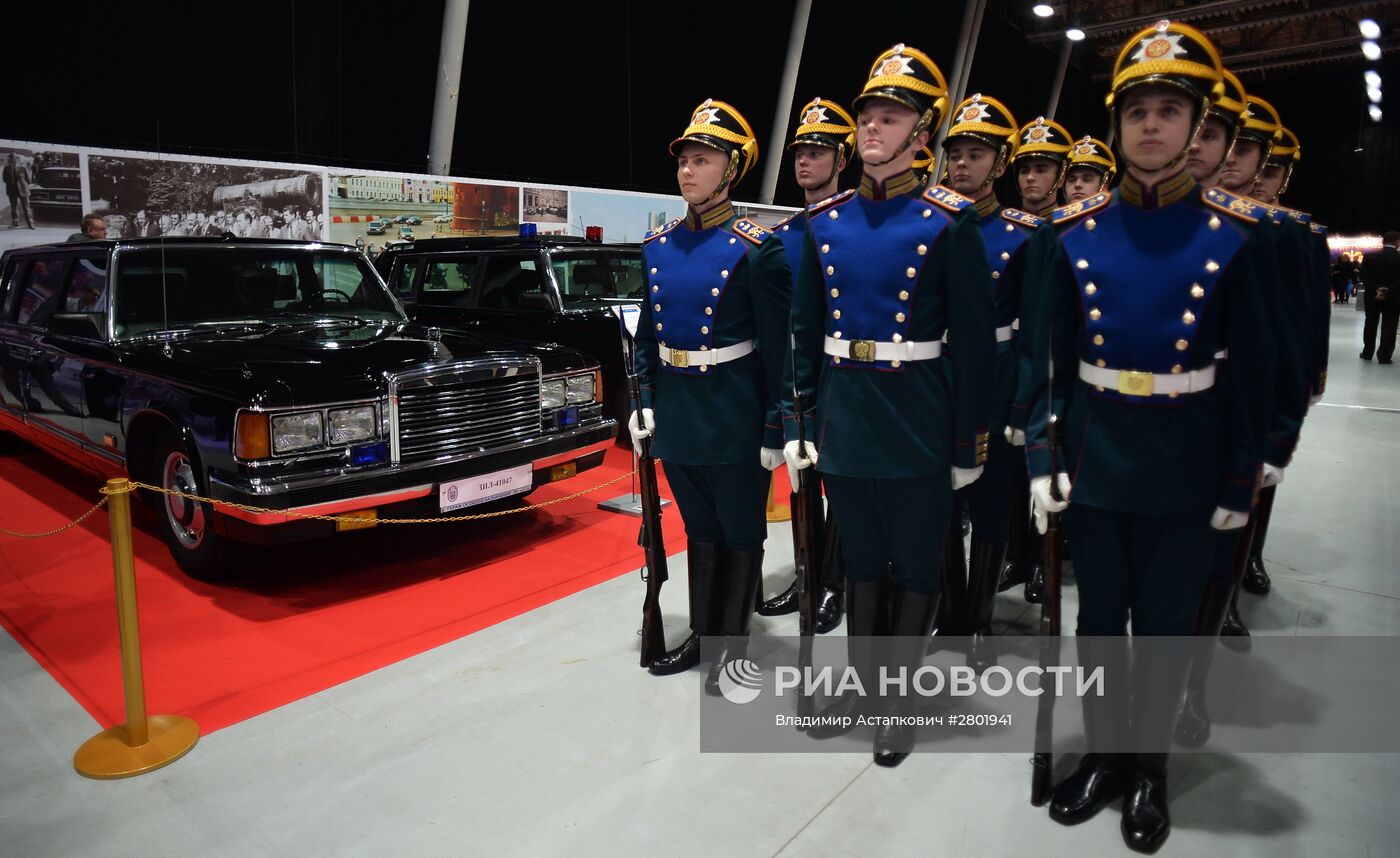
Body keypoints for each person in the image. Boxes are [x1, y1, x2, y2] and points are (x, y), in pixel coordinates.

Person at [1024, 21, 1273, 852]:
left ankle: (1150, 772)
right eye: (1138, 111)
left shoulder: (1236, 239)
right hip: (1098, 457)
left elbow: (1252, 377)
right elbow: (1047, 360)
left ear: (1198, 122)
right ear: (1118, 123)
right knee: (1100, 622)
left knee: (1165, 627)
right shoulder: (1074, 234)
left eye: (1171, 110)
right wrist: (1042, 452)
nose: (1153, 125)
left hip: (1185, 462)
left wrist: (1241, 481)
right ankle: (1102, 754)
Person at [785, 43, 995, 767]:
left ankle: (899, 701)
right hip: (846, 413)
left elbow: (973, 345)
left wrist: (969, 442)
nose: (873, 127)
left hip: (917, 415)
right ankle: (864, 689)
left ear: (922, 133)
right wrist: (801, 419)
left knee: (914, 565)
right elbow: (806, 334)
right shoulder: (827, 222)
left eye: (892, 116)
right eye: (868, 115)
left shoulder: (950, 221)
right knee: (861, 564)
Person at [631, 99, 791, 694]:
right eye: (684, 161)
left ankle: (732, 650)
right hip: (678, 411)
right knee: (699, 529)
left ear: (731, 170)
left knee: (740, 532)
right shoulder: (659, 246)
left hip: (734, 413)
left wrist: (779, 427)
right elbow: (646, 337)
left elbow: (780, 349)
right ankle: (703, 635)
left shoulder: (757, 248)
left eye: (703, 160)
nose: (688, 171)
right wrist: (644, 397)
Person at [936, 92, 1041, 672]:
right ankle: (950, 609)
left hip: (997, 382)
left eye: (977, 155)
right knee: (941, 504)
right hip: (935, 378)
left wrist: (1024, 403)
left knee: (993, 501)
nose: (962, 165)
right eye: (956, 154)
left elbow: (1035, 332)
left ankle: (979, 617)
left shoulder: (1024, 236)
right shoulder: (931, 223)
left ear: (1001, 165)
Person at [757, 96, 857, 633]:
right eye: (800, 152)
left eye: (818, 152)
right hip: (799, 379)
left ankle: (835, 584)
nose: (804, 162)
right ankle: (808, 573)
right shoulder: (785, 236)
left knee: (840, 486)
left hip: (846, 376)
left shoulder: (855, 227)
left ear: (843, 160)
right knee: (804, 481)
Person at [1000, 115, 1074, 604]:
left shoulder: (1075, 230)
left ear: (1061, 175)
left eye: (1042, 168)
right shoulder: (1005, 228)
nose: (1031, 178)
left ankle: (1050, 556)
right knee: (1011, 470)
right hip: (1014, 358)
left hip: (1061, 360)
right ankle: (1018, 555)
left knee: (1053, 460)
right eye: (1025, 167)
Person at [1011, 117, 1073, 218]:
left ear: (1061, 179)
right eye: (1024, 171)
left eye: (1040, 170)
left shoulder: (1071, 228)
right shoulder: (1000, 225)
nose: (1030, 177)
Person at [1361, 231, 1400, 363]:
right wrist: (1387, 291)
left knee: (1370, 322)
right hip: (1393, 297)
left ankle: (1367, 352)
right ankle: (1384, 356)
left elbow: (1364, 277)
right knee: (1389, 324)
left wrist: (1376, 290)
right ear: (1397, 241)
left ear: (1383, 241)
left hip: (1373, 296)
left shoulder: (1369, 256)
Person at [1062, 136, 1116, 204]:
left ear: (1103, 188)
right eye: (1071, 180)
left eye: (1087, 179)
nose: (1077, 185)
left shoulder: (1114, 214)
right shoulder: (1053, 214)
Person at [3, 153, 35, 229]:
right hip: (12, 190)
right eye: (10, 159)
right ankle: (15, 222)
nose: (11, 160)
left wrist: (22, 184)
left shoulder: (23, 168)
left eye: (13, 159)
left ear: (17, 159)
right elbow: (4, 179)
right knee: (14, 207)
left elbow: (29, 180)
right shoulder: (6, 168)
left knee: (26, 207)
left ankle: (30, 223)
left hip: (23, 190)